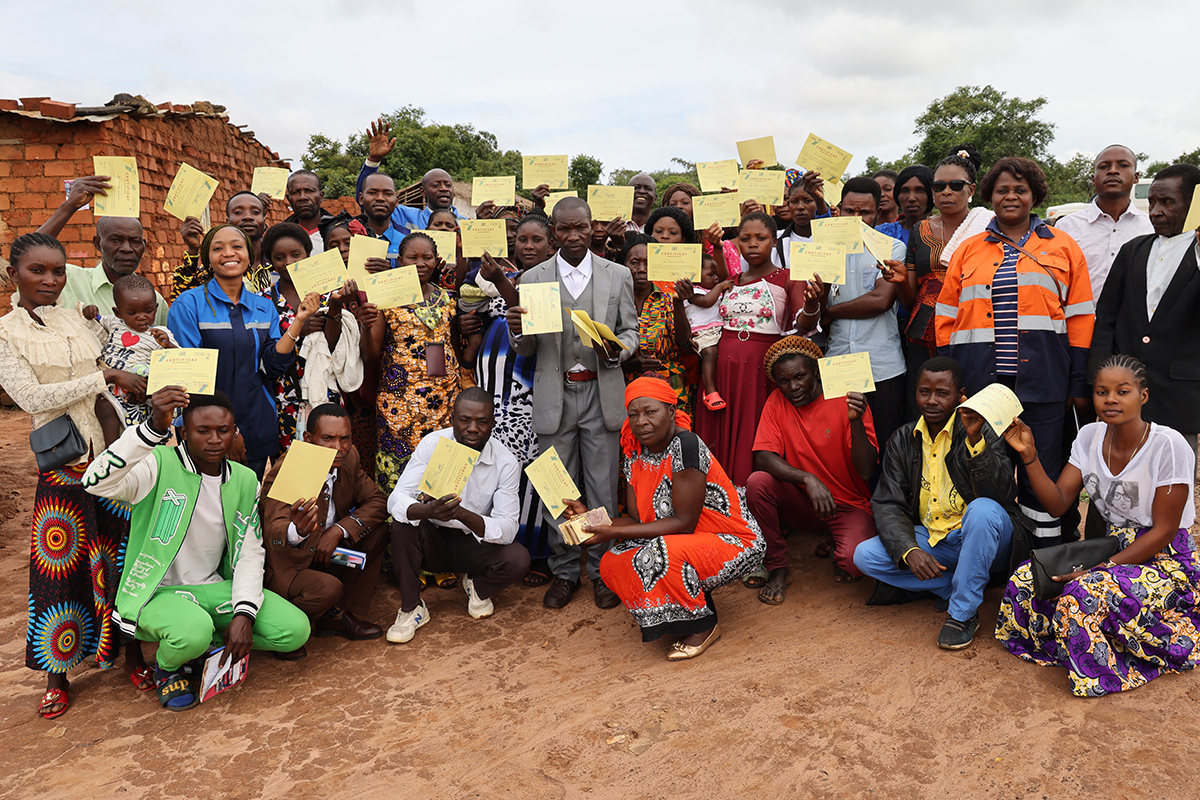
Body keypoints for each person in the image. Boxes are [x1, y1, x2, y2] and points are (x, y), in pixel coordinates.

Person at [83, 389, 310, 710]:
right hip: (157, 593)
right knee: (193, 632)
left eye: (223, 430)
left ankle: (204, 645)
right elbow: (94, 482)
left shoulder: (245, 480)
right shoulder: (157, 464)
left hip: (214, 588)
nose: (215, 440)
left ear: (235, 432)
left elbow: (250, 551)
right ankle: (169, 665)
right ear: (184, 432)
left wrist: (244, 612)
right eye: (203, 431)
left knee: (295, 630)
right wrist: (150, 430)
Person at [2, 232, 149, 718]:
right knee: (59, 570)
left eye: (58, 271)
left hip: (112, 456)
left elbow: (114, 350)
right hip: (63, 466)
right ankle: (56, 676)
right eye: (37, 270)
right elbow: (30, 398)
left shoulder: (74, 317)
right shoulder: (5, 334)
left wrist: (126, 339)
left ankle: (131, 655)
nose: (50, 279)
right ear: (14, 275)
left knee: (121, 559)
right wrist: (103, 377)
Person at [997, 354, 1199, 697]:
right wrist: (1029, 455)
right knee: (1027, 578)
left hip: (1164, 559)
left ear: (1143, 396)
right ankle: (1076, 642)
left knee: (1083, 593)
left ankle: (1101, 671)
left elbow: (1164, 530)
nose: (1110, 399)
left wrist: (1101, 570)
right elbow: (1058, 502)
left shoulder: (1168, 445)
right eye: (1102, 392)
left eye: (1123, 391)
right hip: (1111, 548)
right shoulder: (1089, 436)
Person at [935, 156, 1094, 546]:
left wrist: (1076, 382)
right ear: (989, 196)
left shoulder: (1063, 246)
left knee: (1043, 469)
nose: (1011, 196)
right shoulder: (968, 250)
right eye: (1002, 189)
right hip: (982, 387)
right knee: (987, 473)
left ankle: (1043, 555)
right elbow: (945, 318)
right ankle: (999, 556)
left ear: (1034, 196)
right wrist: (954, 382)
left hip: (1045, 383)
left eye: (1020, 189)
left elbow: (1080, 318)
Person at [506, 197, 638, 609]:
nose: (574, 235)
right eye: (564, 229)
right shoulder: (533, 278)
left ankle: (601, 571)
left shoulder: (617, 274)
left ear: (592, 226)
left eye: (580, 227)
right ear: (553, 233)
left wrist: (618, 350)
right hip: (555, 395)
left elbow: (631, 331)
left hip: (601, 394)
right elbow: (528, 348)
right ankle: (565, 571)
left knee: (601, 488)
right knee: (557, 489)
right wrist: (517, 331)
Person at [854, 357, 1033, 649]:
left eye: (942, 393)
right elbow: (888, 503)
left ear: (961, 395)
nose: (932, 401)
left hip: (984, 538)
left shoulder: (982, 429)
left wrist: (975, 442)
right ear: (915, 391)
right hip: (935, 539)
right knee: (865, 556)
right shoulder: (902, 438)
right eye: (924, 392)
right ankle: (955, 584)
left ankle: (962, 614)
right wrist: (909, 549)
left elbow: (1002, 496)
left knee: (982, 510)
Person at [581, 377, 763, 659]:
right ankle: (677, 615)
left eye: (650, 412)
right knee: (613, 559)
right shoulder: (634, 452)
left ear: (671, 411)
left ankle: (704, 624)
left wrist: (612, 531)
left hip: (732, 541)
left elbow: (683, 523)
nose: (641, 422)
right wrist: (589, 522)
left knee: (661, 551)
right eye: (633, 414)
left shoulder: (686, 445)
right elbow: (636, 520)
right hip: (682, 540)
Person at [168, 224, 317, 479]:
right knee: (206, 499)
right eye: (218, 248)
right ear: (208, 259)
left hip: (257, 425)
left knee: (248, 499)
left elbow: (273, 365)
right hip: (206, 431)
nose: (228, 253)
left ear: (249, 256)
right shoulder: (188, 305)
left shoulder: (263, 307)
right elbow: (190, 379)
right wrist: (226, 431)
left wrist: (299, 320)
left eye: (237, 246)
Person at [385, 389, 528, 642]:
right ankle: (411, 608)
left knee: (518, 559)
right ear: (452, 419)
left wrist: (460, 513)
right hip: (432, 540)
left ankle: (478, 586)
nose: (473, 428)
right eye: (465, 420)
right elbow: (396, 498)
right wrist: (427, 511)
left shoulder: (506, 461)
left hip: (474, 544)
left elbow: (508, 528)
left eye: (482, 421)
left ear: (493, 423)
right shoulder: (432, 444)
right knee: (402, 523)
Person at [746, 337, 878, 604]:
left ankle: (836, 541)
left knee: (855, 562)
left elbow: (866, 470)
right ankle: (777, 565)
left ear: (816, 371)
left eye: (800, 376)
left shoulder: (846, 397)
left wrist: (856, 422)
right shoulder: (776, 401)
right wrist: (807, 478)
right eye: (784, 381)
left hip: (848, 505)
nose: (793, 387)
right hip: (805, 502)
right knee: (757, 482)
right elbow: (763, 458)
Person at [694, 213, 818, 487]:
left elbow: (803, 325)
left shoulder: (789, 278)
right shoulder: (730, 280)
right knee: (720, 434)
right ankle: (720, 499)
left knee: (755, 434)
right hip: (723, 369)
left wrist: (812, 305)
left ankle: (751, 499)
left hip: (762, 370)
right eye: (745, 238)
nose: (752, 244)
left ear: (774, 241)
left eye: (760, 238)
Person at [260, 403, 389, 658]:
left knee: (378, 532)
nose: (338, 447)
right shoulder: (291, 468)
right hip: (291, 562)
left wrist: (339, 529)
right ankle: (282, 627)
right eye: (327, 439)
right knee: (326, 589)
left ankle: (337, 615)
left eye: (345, 438)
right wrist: (298, 531)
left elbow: (378, 501)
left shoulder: (348, 458)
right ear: (308, 439)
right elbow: (273, 530)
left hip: (328, 551)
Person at [1088, 163, 1200, 458]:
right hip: (1125, 393)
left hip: (1179, 395)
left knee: (1173, 474)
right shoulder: (1133, 250)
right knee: (1120, 473)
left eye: (1167, 202)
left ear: (1194, 205)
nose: (1155, 211)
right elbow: (1107, 319)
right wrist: (1097, 378)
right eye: (1152, 202)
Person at [472, 216, 559, 587]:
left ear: (551, 245)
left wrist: (500, 283)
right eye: (522, 239)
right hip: (494, 392)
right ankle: (497, 546)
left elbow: (531, 318)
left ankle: (539, 552)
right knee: (498, 473)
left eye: (537, 239)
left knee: (536, 470)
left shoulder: (551, 280)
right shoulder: (504, 275)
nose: (528, 246)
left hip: (529, 389)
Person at [363, 232, 463, 492]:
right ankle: (396, 515)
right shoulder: (386, 299)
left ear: (436, 260)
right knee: (400, 470)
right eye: (413, 257)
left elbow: (454, 347)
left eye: (427, 257)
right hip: (400, 402)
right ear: (400, 261)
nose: (420, 263)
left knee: (439, 470)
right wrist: (365, 326)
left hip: (444, 400)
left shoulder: (448, 298)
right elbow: (371, 355)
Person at [258, 222, 361, 450]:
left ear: (308, 254)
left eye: (296, 255)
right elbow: (266, 353)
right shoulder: (262, 301)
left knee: (331, 457)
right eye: (280, 257)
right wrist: (300, 328)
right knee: (291, 462)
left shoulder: (327, 293)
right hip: (284, 397)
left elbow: (333, 346)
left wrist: (335, 306)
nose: (289, 262)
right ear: (270, 262)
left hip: (325, 392)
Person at [823, 176, 907, 453]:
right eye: (850, 211)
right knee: (840, 446)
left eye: (865, 212)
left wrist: (830, 312)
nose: (857, 219)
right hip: (838, 362)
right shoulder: (824, 249)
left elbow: (880, 300)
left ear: (877, 213)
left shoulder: (891, 248)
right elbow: (811, 302)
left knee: (885, 446)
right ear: (838, 210)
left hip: (881, 365)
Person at [36, 175, 171, 327]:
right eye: (116, 240)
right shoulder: (70, 280)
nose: (127, 249)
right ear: (98, 243)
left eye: (135, 241)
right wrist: (70, 206)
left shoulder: (155, 301)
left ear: (143, 245)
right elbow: (28, 257)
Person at [1054, 145, 1153, 302]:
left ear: (1136, 177)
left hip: (1135, 318)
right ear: (1093, 179)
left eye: (1123, 165)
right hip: (1081, 317)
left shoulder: (1151, 228)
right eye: (1104, 166)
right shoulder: (1066, 227)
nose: (1113, 171)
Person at [83, 273, 179, 432]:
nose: (142, 317)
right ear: (118, 313)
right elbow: (96, 318)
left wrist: (168, 345)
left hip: (141, 384)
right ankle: (112, 445)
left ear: (156, 308)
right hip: (114, 384)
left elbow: (179, 357)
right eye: (132, 313)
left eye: (148, 311)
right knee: (104, 408)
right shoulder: (114, 322)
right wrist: (90, 310)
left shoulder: (160, 334)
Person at [619, 232, 692, 410]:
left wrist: (678, 303)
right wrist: (629, 365)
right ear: (624, 265)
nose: (641, 268)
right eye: (634, 262)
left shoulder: (667, 298)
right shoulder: (614, 300)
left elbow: (683, 341)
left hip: (670, 385)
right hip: (627, 387)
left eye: (648, 263)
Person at [356, 118, 465, 231]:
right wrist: (373, 160)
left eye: (448, 185)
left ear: (453, 190)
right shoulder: (404, 215)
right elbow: (367, 201)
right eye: (435, 185)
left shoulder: (467, 224)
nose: (443, 189)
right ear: (423, 191)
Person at [173, 190, 274, 297]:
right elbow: (182, 301)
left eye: (255, 212)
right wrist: (193, 250)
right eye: (238, 212)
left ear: (264, 220)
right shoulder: (215, 269)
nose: (248, 217)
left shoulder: (278, 264)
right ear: (227, 221)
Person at [676, 253, 732, 412]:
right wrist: (720, 286)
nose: (716, 278)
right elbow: (706, 302)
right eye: (711, 274)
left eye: (716, 274)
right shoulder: (693, 293)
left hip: (716, 330)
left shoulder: (710, 290)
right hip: (701, 332)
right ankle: (710, 390)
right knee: (709, 353)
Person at [661, 181, 742, 277]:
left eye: (685, 203)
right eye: (673, 204)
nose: (679, 206)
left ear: (697, 206)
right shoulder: (661, 237)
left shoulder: (711, 235)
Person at [353, 172, 407, 263]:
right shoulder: (347, 238)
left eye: (388, 194)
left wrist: (391, 270)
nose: (380, 198)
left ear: (396, 201)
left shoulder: (406, 243)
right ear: (361, 199)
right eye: (372, 193)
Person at [874, 164, 933, 246]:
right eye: (905, 191)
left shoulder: (944, 233)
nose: (911, 198)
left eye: (920, 190)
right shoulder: (878, 234)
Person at [284, 170, 341, 254]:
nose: (302, 197)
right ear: (288, 199)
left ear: (321, 196)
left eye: (309, 191)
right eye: (295, 192)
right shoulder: (280, 236)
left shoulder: (340, 232)